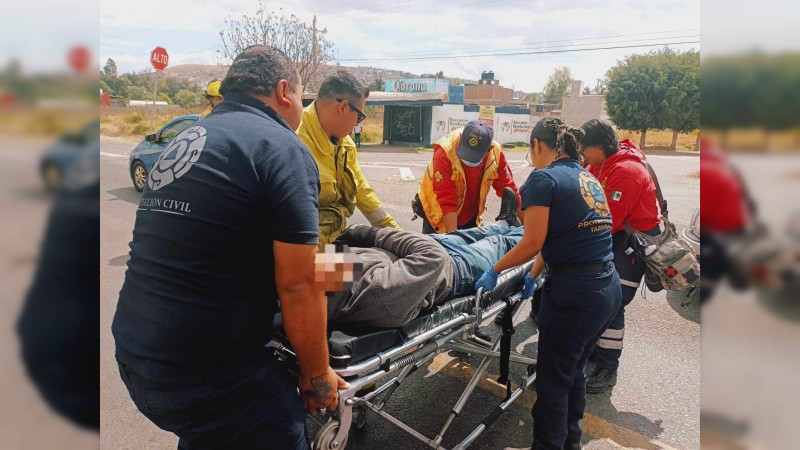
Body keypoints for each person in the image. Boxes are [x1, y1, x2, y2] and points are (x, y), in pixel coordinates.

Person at [111, 45, 345, 450]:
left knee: (211, 432)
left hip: (137, 354)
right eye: (302, 99)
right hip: (208, 373)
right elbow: (300, 285)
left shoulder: (190, 138)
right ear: (284, 91)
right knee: (272, 426)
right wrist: (317, 375)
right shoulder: (282, 147)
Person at [475, 118, 621, 449]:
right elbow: (558, 238)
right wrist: (533, 274)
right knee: (574, 373)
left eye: (531, 150)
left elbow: (532, 240)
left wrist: (495, 271)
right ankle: (570, 442)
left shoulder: (543, 179)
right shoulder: (587, 177)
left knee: (553, 383)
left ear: (538, 146)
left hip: (576, 295)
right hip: (605, 288)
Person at [577, 120, 662, 395]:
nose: (582, 154)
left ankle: (608, 368)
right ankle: (594, 353)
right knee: (597, 299)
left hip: (631, 244)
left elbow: (607, 221)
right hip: (614, 238)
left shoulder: (626, 172)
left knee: (612, 303)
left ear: (599, 147)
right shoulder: (601, 164)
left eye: (584, 149)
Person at [323, 222, 523, 328]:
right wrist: (373, 234)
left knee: (482, 231)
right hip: (454, 269)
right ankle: (535, 226)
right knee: (501, 243)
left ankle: (507, 220)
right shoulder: (380, 297)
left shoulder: (323, 282)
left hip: (419, 249)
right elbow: (432, 257)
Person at [296, 71, 399, 249]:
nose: (357, 124)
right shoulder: (293, 141)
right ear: (343, 107)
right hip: (303, 260)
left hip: (332, 246)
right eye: (359, 117)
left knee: (386, 264)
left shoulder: (345, 144)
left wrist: (396, 234)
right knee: (372, 273)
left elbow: (362, 190)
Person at [417, 119, 522, 234]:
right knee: (438, 249)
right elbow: (446, 200)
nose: (468, 160)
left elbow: (510, 190)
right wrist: (453, 239)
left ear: (489, 149)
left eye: (473, 156)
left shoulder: (496, 154)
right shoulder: (445, 152)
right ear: (461, 139)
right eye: (466, 152)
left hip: (470, 215)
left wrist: (526, 229)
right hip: (439, 214)